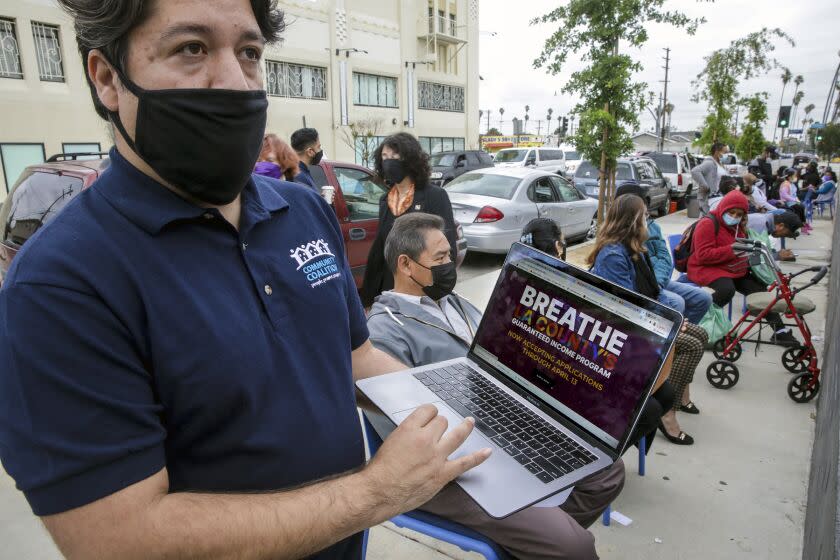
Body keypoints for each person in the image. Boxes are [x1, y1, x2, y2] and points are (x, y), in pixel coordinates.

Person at [0, 3, 492, 559]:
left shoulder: (303, 210)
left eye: (250, 53)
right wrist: (377, 492)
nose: (235, 82)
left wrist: (464, 411)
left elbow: (353, 358)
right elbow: (121, 540)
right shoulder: (59, 285)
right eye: (192, 48)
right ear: (108, 78)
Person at [367, 213, 625, 560]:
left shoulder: (457, 304)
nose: (451, 265)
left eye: (451, 255)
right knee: (573, 545)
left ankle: (537, 538)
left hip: (504, 426)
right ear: (405, 264)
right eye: (440, 258)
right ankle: (547, 537)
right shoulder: (385, 332)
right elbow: (400, 430)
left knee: (606, 471)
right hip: (451, 466)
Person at [519, 215, 680, 455]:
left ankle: (607, 449)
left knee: (664, 391)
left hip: (576, 364)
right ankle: (594, 459)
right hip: (565, 375)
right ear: (557, 247)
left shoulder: (526, 274)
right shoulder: (560, 283)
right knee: (651, 408)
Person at [587, 194, 708, 446]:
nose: (648, 220)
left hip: (645, 321)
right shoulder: (613, 255)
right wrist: (667, 324)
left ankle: (668, 404)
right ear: (633, 220)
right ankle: (668, 413)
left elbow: (651, 294)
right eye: (644, 216)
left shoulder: (633, 248)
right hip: (627, 334)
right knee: (691, 345)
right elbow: (625, 310)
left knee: (700, 335)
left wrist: (672, 319)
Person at [687, 190, 797, 346]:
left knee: (759, 290)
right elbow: (703, 255)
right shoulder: (707, 223)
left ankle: (780, 331)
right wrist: (732, 249)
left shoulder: (739, 227)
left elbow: (742, 250)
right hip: (704, 267)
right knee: (727, 290)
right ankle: (696, 321)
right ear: (723, 208)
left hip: (731, 267)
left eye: (738, 214)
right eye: (731, 212)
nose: (734, 217)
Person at [360, 132, 458, 308]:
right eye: (384, 157)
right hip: (392, 289)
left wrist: (440, 288)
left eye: (395, 156)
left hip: (424, 290)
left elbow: (447, 247)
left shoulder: (434, 196)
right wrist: (368, 296)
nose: (389, 161)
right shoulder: (386, 200)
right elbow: (381, 248)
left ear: (410, 160)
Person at [615, 184, 712, 324]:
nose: (646, 216)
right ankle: (673, 338)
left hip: (658, 280)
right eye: (643, 213)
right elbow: (627, 291)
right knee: (676, 303)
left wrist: (658, 282)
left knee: (703, 298)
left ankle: (681, 335)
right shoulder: (619, 244)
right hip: (646, 285)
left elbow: (664, 257)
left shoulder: (652, 226)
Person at [691, 142, 730, 217]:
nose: (727, 155)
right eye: (724, 152)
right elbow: (695, 171)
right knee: (708, 221)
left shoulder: (720, 164)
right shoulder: (709, 163)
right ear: (717, 152)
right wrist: (705, 185)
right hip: (710, 199)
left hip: (719, 198)